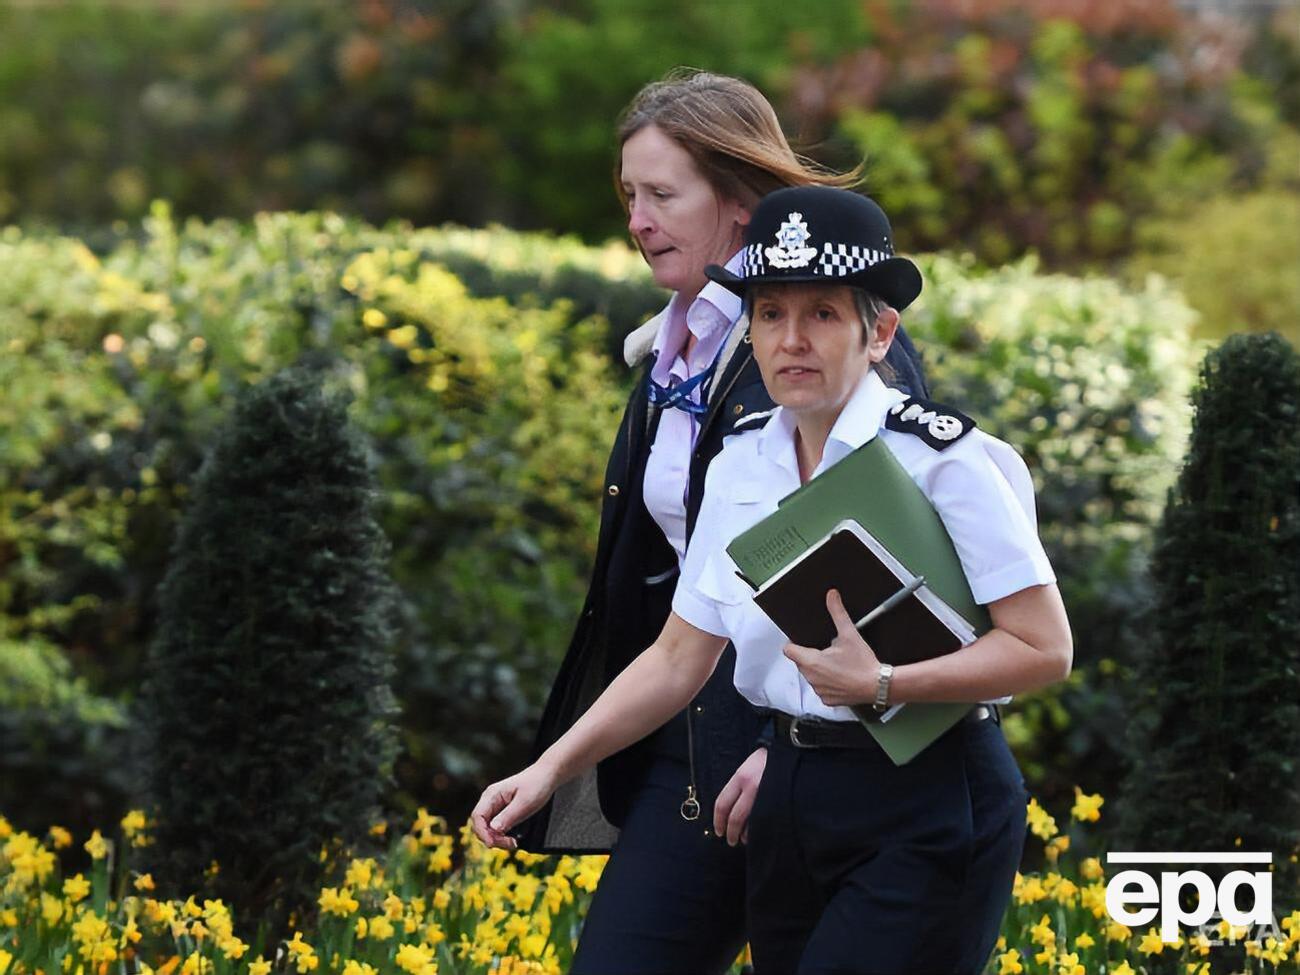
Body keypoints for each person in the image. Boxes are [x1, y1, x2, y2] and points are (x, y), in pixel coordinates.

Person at [474, 185, 1073, 975]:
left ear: (880, 331)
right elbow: (678, 657)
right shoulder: (740, 459)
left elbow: (1043, 648)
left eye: (822, 313)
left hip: (928, 794)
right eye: (770, 314)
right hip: (793, 793)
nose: (792, 339)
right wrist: (550, 767)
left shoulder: (943, 460)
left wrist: (886, 679)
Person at [512, 72, 929, 975]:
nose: (638, 218)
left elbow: (894, 580)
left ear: (739, 203)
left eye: (663, 194)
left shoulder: (837, 347)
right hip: (684, 741)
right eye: (630, 195)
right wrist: (553, 763)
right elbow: (678, 614)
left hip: (809, 756)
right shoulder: (670, 345)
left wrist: (803, 747)